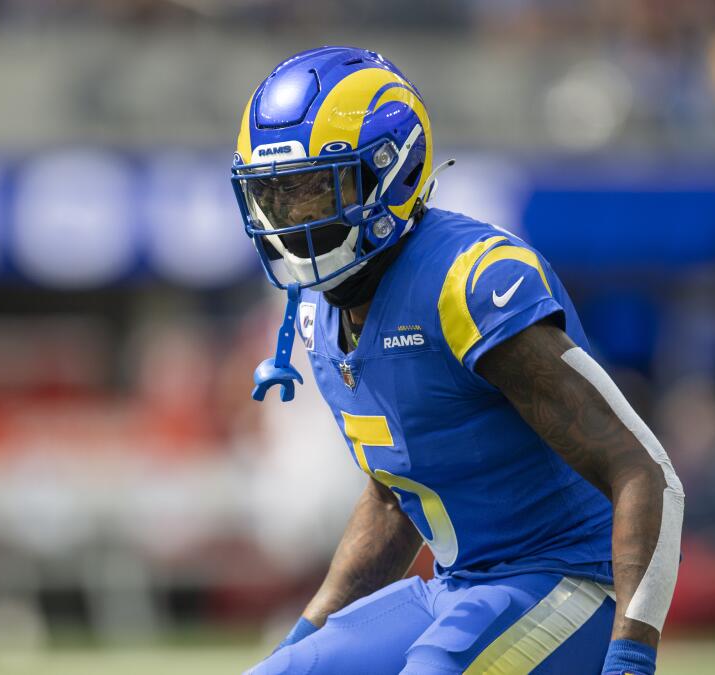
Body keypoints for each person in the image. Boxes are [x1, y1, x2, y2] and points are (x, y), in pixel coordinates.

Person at [230, 47, 684, 675]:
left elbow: (644, 471)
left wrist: (632, 657)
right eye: (278, 198)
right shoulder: (318, 307)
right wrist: (303, 637)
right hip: (457, 589)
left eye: (314, 190)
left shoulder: (465, 284)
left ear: (388, 173)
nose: (294, 221)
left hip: (572, 581)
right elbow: (395, 494)